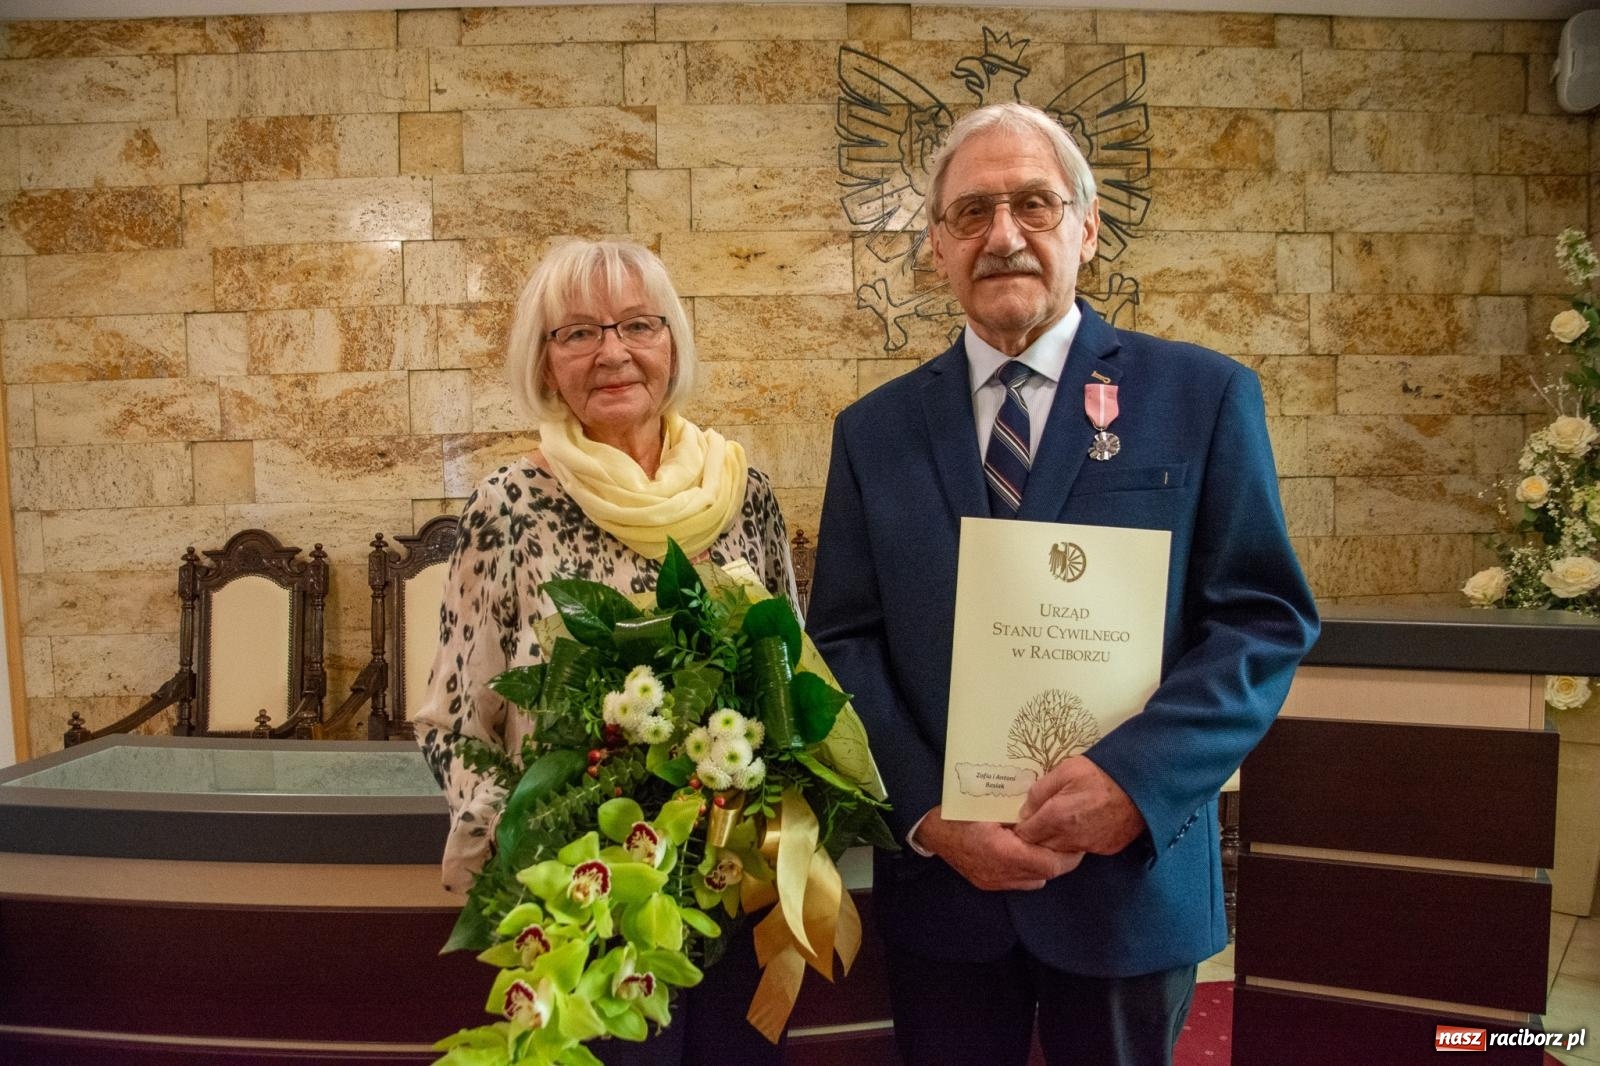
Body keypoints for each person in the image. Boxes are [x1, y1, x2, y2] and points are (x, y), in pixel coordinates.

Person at [807, 102, 1320, 1066]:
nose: (1003, 236)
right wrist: (926, 812)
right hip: (945, 896)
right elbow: (844, 642)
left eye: (1035, 205)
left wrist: (1135, 781)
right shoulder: (872, 431)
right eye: (971, 214)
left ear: (1087, 226)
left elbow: (1262, 620)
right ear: (936, 246)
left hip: (1126, 884)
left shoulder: (1202, 397)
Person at [414, 239, 796, 1064]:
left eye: (635, 325)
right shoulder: (509, 507)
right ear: (546, 364)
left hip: (730, 887)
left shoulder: (743, 493)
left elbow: (791, 684)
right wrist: (521, 838)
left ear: (671, 342)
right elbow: (450, 721)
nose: (612, 351)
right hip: (582, 902)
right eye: (578, 333)